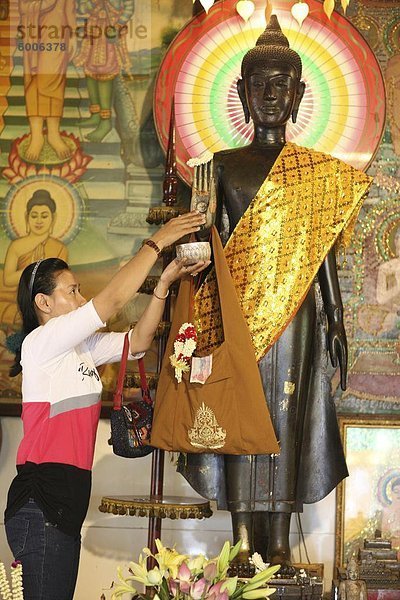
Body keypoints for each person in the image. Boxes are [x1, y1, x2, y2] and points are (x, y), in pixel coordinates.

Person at [178, 15, 372, 571]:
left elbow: (321, 251)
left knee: (287, 414)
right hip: (235, 316)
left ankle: (281, 541)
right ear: (240, 92)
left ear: (298, 94)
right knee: (242, 413)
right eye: (259, 83)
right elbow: (201, 252)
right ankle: (240, 538)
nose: (269, 94)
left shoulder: (315, 175)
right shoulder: (219, 167)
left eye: (280, 84)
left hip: (298, 317)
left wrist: (335, 316)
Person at [4, 210, 208, 600]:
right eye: (73, 291)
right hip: (41, 501)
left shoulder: (79, 348)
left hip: (64, 504)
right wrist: (158, 241)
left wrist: (163, 284)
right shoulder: (42, 343)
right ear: (43, 302)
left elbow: (139, 343)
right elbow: (112, 299)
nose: (81, 298)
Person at [19, 0, 77, 161]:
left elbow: (69, 5)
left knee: (53, 77)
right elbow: (22, 5)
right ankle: (36, 134)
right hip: (32, 27)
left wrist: (73, 33)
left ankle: (53, 133)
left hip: (57, 27)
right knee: (33, 78)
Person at [0, 189, 68, 326]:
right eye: (34, 215)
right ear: (27, 217)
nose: (38, 221)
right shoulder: (16, 246)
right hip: (18, 298)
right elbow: (8, 280)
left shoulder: (59, 248)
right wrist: (32, 266)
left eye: (44, 216)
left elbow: (60, 283)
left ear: (52, 218)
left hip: (48, 302)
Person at [75, 0, 134, 143]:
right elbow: (81, 8)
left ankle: (105, 121)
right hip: (92, 33)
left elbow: (129, 7)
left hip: (110, 34)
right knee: (90, 72)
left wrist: (118, 24)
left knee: (104, 73)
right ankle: (95, 114)